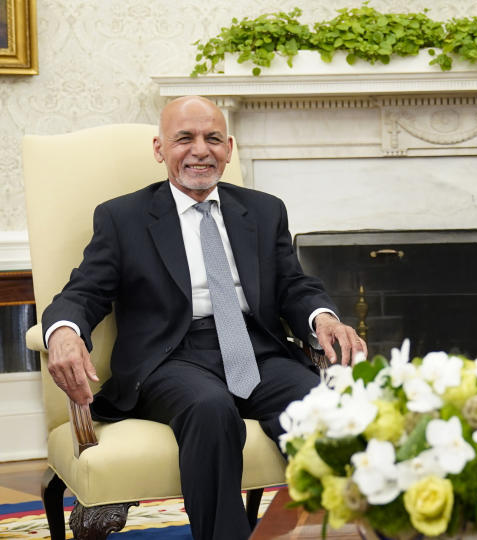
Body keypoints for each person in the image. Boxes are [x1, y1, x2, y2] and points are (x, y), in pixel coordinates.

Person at [42, 95, 366, 539]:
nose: (200, 150)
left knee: (323, 406)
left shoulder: (264, 210)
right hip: (172, 358)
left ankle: (342, 531)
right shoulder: (123, 218)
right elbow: (83, 293)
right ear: (160, 149)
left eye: (212, 138)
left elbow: (294, 286)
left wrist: (324, 319)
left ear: (228, 148)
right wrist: (63, 331)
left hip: (257, 349)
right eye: (184, 139)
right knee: (211, 409)